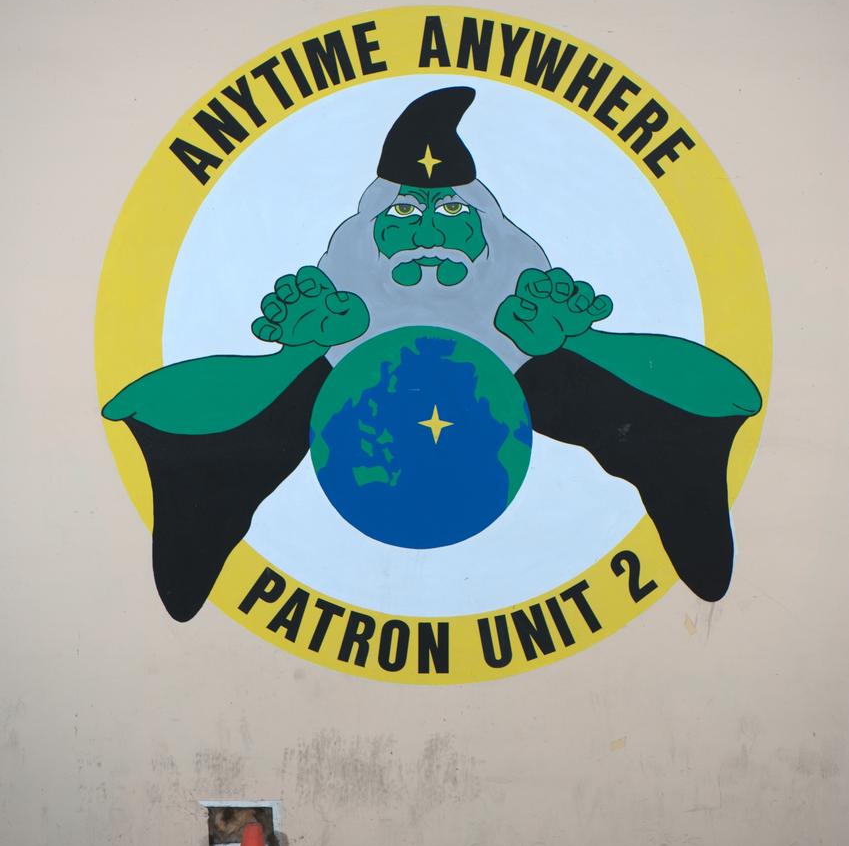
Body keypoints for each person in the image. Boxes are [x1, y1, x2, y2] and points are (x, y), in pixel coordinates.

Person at [104, 87, 761, 621]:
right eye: (401, 212)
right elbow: (178, 407)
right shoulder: (326, 351)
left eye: (449, 208)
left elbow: (716, 391)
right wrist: (293, 356)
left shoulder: (536, 344)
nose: (425, 228)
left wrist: (580, 341)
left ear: (487, 230)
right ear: (365, 238)